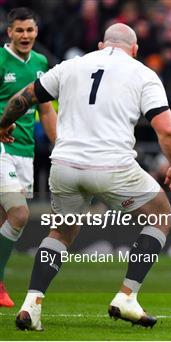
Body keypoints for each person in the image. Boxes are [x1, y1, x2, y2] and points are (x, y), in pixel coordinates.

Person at [0, 23, 171, 331]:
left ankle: (31, 305)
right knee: (161, 214)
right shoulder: (142, 73)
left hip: (65, 166)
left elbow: (25, 96)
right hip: (112, 167)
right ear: (135, 50)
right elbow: (166, 129)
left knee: (61, 232)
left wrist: (4, 123)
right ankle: (127, 295)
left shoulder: (71, 65)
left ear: (100, 45)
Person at [0, 7, 57, 308]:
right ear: (9, 32)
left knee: (5, 220)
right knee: (19, 214)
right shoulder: (0, 60)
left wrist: (58, 145)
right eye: (19, 30)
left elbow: (46, 109)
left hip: (25, 152)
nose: (25, 36)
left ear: (36, 32)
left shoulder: (40, 63)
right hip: (1, 148)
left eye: (30, 30)